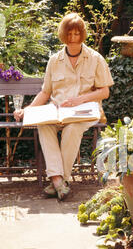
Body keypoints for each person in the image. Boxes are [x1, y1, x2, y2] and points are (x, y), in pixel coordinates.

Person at [14, 12, 114, 200]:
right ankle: (60, 182)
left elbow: (104, 92)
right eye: (69, 34)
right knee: (44, 126)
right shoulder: (54, 61)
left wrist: (80, 99)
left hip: (85, 112)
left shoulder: (96, 58)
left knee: (72, 129)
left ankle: (59, 181)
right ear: (63, 35)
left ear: (82, 34)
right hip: (57, 111)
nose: (73, 39)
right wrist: (26, 110)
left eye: (77, 34)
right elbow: (45, 92)